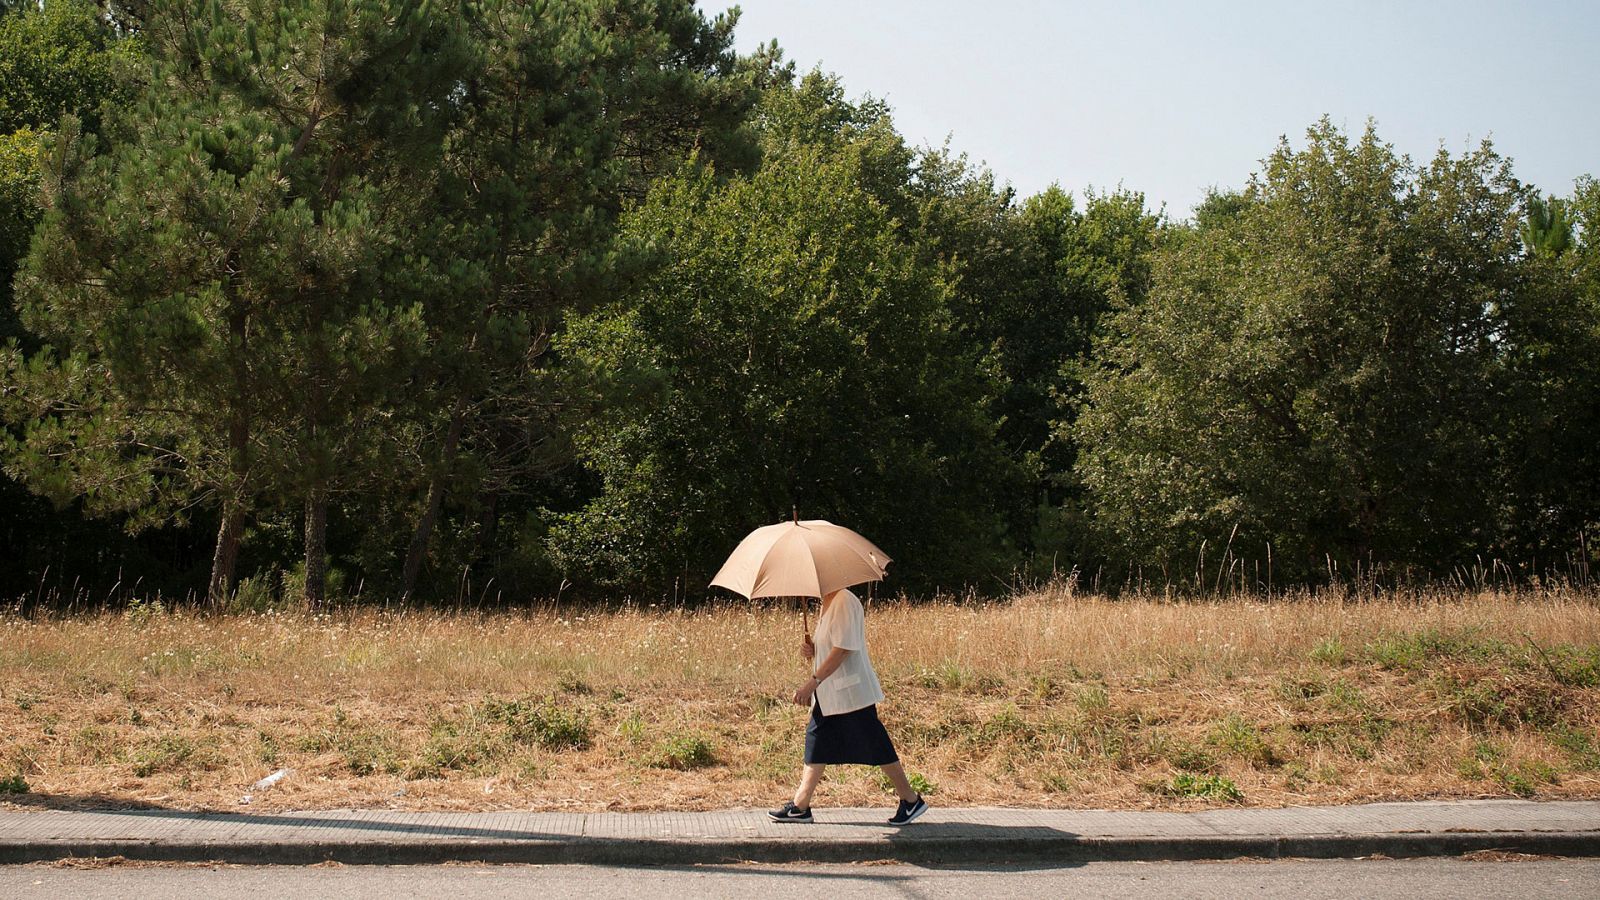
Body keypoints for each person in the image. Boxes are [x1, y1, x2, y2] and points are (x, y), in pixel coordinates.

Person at [768, 587, 927, 825]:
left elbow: (843, 649)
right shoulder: (827, 603)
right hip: (831, 695)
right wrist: (813, 651)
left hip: (850, 693)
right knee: (816, 741)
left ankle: (911, 800)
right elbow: (832, 647)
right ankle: (801, 806)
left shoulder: (844, 601)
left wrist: (811, 684)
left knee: (875, 744)